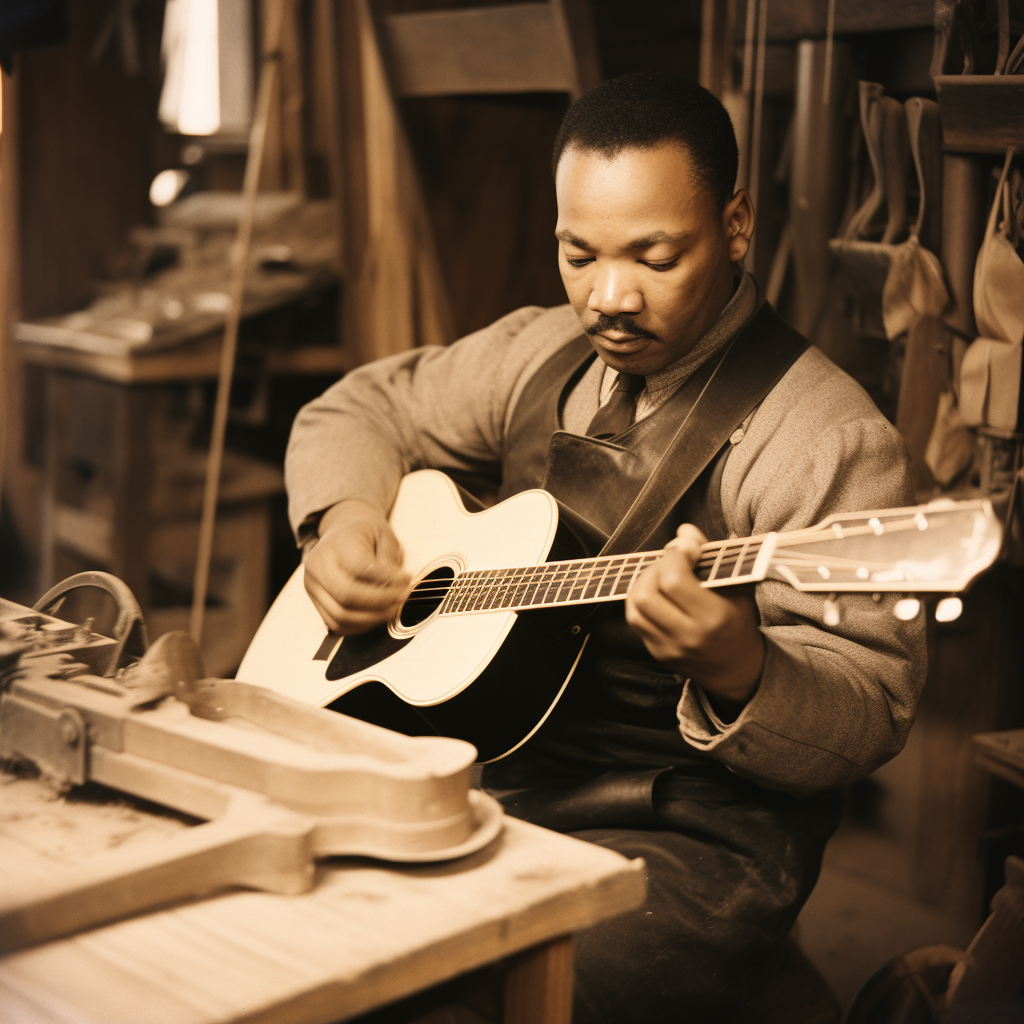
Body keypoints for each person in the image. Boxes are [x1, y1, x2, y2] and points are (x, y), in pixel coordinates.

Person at [285, 72, 926, 1023]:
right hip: (486, 766)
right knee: (290, 913)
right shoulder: (539, 354)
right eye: (578, 254)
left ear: (737, 225)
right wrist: (343, 518)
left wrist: (742, 666)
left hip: (690, 837)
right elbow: (360, 406)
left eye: (655, 257)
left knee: (484, 997)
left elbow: (874, 701)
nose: (609, 297)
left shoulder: (823, 434)